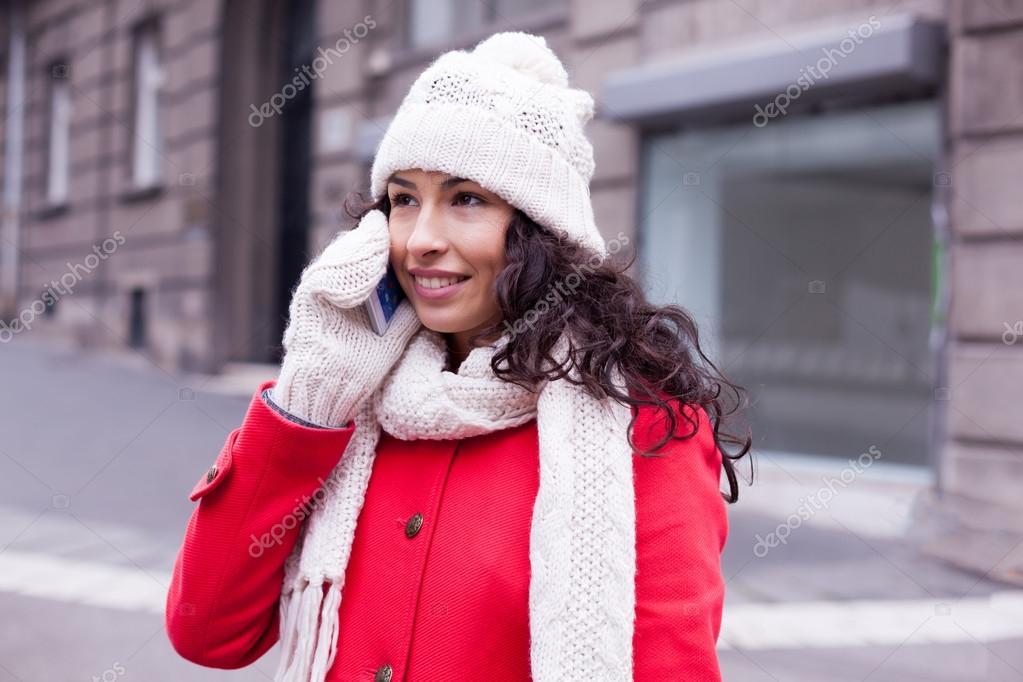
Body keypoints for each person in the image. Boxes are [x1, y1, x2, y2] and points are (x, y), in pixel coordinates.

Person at [165, 30, 751, 682]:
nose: (419, 239)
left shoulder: (640, 423)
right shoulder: (342, 398)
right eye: (404, 200)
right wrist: (309, 397)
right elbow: (207, 631)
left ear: (537, 228)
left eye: (465, 199)